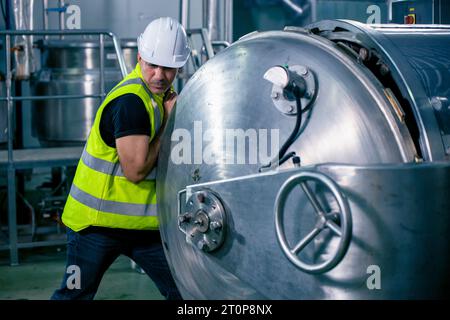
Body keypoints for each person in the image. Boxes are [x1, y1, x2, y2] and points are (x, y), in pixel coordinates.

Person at [51, 17, 190, 300]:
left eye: (169, 68)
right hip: (95, 227)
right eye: (152, 64)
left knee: (188, 292)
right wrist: (170, 124)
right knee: (73, 296)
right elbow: (136, 170)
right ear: (139, 58)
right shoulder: (131, 102)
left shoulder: (160, 97)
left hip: (144, 227)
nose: (159, 75)